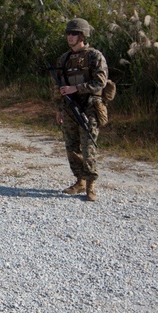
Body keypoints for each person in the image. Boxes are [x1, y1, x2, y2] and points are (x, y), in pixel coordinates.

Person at [53, 17, 109, 201]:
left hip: (90, 106)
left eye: (74, 33)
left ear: (83, 35)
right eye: (69, 33)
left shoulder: (94, 56)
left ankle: (91, 185)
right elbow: (58, 86)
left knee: (88, 147)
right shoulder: (64, 58)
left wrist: (76, 89)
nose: (70, 36)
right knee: (71, 146)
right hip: (69, 108)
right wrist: (59, 108)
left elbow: (100, 82)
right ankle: (79, 181)